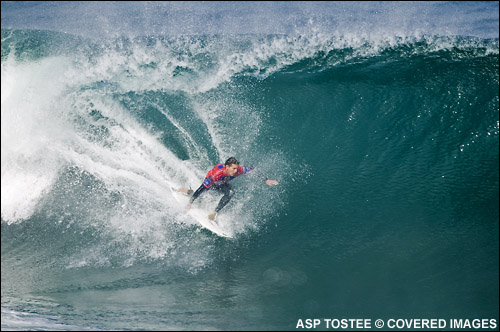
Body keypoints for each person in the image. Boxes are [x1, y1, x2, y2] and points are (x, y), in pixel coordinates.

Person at [176, 157, 278, 220]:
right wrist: (190, 203)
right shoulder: (216, 174)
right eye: (233, 168)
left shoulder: (239, 170)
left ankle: (215, 212)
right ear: (226, 167)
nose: (235, 171)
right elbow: (201, 188)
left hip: (223, 183)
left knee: (230, 192)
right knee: (200, 196)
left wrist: (266, 180)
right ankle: (187, 191)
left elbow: (252, 169)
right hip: (213, 183)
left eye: (236, 168)